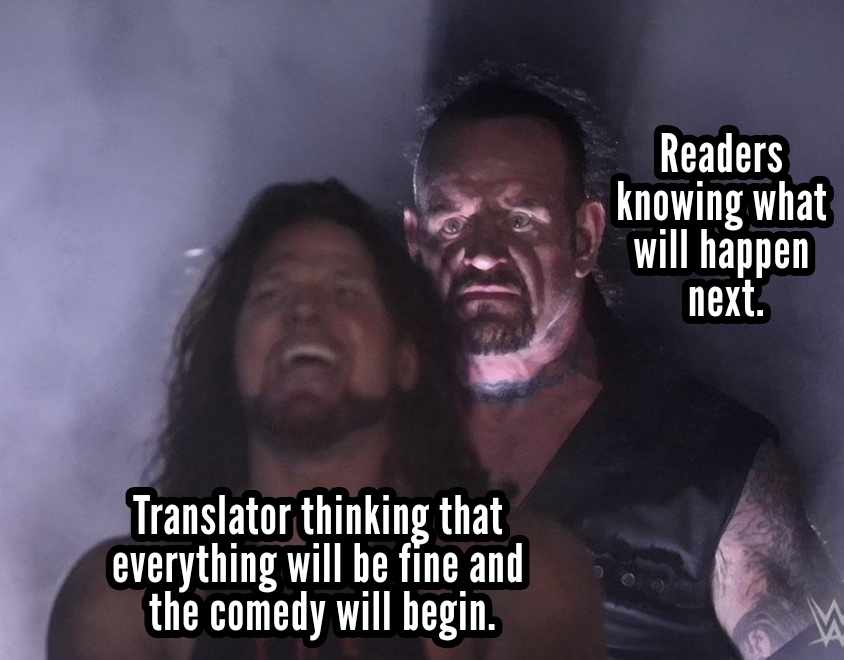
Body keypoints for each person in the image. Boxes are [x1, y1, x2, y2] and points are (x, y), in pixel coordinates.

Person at [48, 180, 605, 660]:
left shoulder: (526, 582)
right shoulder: (120, 601)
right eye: (272, 293)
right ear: (232, 357)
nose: (305, 311)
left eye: (346, 291)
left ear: (405, 358)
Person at [402, 70, 840, 660]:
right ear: (417, 243)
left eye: (519, 219)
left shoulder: (712, 461)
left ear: (584, 237)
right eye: (452, 223)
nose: (481, 254)